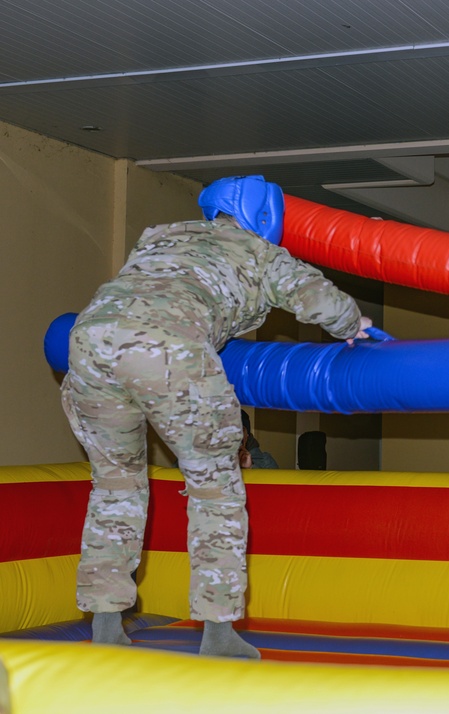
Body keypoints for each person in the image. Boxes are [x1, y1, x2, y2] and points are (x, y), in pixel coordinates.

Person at [60, 175, 371, 658]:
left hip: (88, 338)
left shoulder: (158, 236)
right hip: (168, 348)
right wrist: (354, 324)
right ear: (265, 217)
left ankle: (105, 624)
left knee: (115, 484)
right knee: (214, 486)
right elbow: (315, 298)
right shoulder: (261, 253)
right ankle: (219, 631)